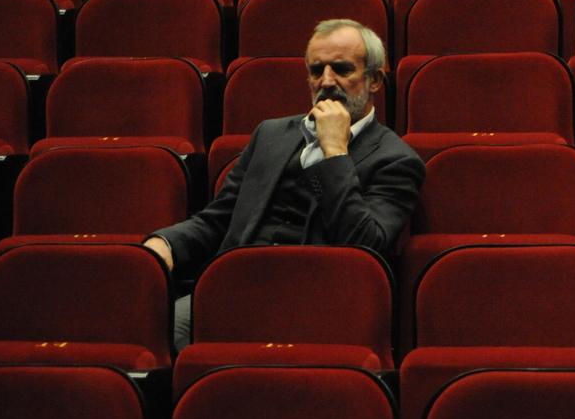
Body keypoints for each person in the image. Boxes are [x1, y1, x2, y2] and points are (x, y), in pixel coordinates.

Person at [144, 18, 425, 347]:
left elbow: (364, 247)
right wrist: (165, 244)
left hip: (315, 304)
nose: (326, 81)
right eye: (316, 70)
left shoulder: (396, 160)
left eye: (342, 69)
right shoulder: (270, 135)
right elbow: (219, 219)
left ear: (374, 80)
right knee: (146, 327)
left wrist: (335, 153)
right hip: (234, 289)